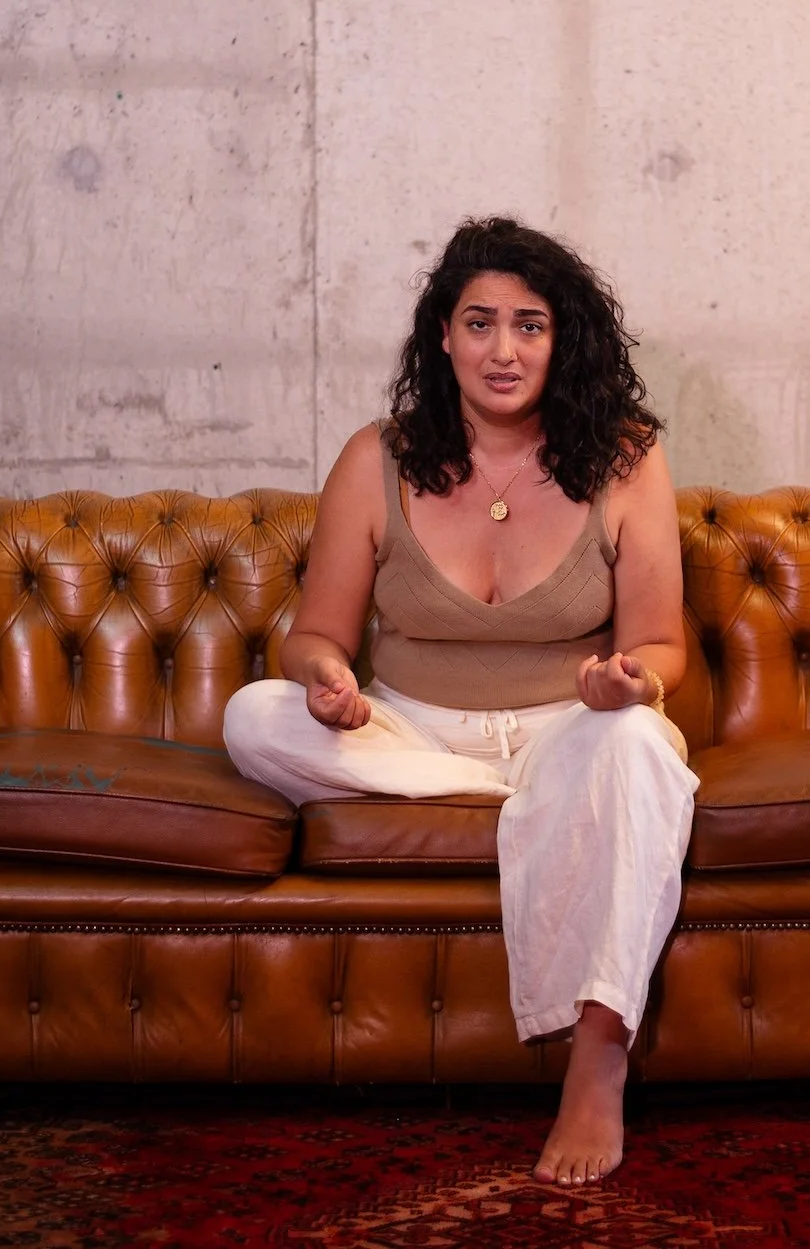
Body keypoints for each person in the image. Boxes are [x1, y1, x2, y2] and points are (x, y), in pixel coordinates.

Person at [222, 216, 696, 1188]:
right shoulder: (377, 457)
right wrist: (325, 682)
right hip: (407, 732)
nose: (502, 349)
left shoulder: (623, 458)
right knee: (252, 716)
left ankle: (596, 1061)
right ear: (441, 335)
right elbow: (314, 632)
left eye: (529, 325)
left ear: (561, 340)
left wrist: (630, 683)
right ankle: (524, 816)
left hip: (567, 731)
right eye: (478, 323)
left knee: (639, 747)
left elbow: (659, 644)